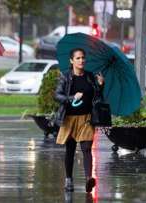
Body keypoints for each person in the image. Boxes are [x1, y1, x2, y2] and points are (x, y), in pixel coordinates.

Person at [54, 48, 104, 193]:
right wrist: (71, 98)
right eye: (78, 58)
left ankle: (89, 179)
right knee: (70, 149)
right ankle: (68, 179)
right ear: (71, 61)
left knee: (87, 148)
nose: (81, 60)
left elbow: (97, 96)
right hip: (69, 118)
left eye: (83, 57)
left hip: (86, 118)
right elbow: (57, 95)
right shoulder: (66, 76)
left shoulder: (90, 76)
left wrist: (101, 85)